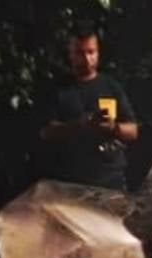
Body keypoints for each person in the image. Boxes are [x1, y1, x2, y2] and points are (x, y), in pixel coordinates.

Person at [40, 26, 138, 190]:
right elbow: (46, 132)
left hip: (110, 181)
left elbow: (133, 130)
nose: (86, 59)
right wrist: (79, 125)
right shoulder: (58, 89)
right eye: (80, 53)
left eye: (91, 52)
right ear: (70, 54)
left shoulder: (111, 87)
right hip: (70, 183)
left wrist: (113, 128)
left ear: (98, 53)